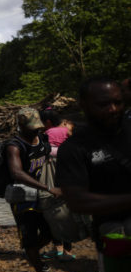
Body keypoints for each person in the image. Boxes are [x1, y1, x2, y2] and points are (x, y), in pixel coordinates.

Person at [56, 78, 131, 272]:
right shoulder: (75, 149)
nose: (112, 109)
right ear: (83, 106)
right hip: (117, 244)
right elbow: (78, 201)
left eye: (118, 102)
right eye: (103, 104)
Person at [5, 107, 61, 272]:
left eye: (37, 126)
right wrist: (47, 187)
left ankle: (32, 252)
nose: (36, 130)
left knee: (50, 233)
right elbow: (16, 172)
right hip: (24, 199)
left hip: (44, 196)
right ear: (21, 125)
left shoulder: (42, 139)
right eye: (32, 127)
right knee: (29, 237)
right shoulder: (15, 145)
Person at [40, 108, 75, 261]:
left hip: (50, 174)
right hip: (68, 172)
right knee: (68, 210)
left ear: (47, 122)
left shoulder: (47, 134)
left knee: (52, 209)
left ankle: (58, 248)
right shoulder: (66, 131)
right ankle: (67, 250)